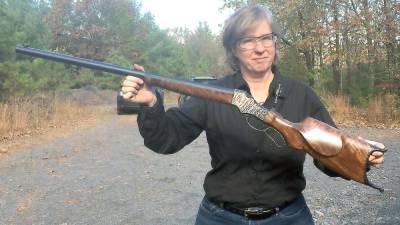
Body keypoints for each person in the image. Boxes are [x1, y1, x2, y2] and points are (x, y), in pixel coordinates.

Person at [120, 4, 384, 225]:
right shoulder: (211, 94)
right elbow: (166, 140)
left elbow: (329, 157)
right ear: (234, 48)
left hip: (289, 216)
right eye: (248, 40)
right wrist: (151, 102)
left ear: (275, 42)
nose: (260, 48)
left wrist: (361, 155)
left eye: (266, 38)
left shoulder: (302, 95)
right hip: (220, 217)